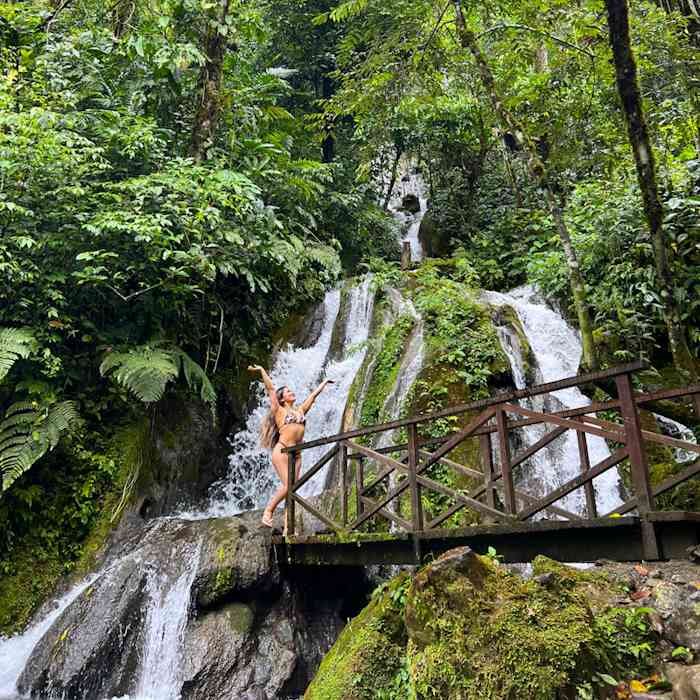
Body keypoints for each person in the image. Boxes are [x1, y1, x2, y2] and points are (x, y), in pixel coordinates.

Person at [248, 364, 334, 533]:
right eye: (287, 392)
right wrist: (262, 371)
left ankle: (289, 526)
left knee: (292, 490)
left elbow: (313, 397)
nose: (291, 393)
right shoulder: (278, 410)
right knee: (288, 486)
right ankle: (268, 512)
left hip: (297, 454)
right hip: (282, 451)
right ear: (281, 399)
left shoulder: (300, 410)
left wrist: (323, 383)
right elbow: (271, 388)